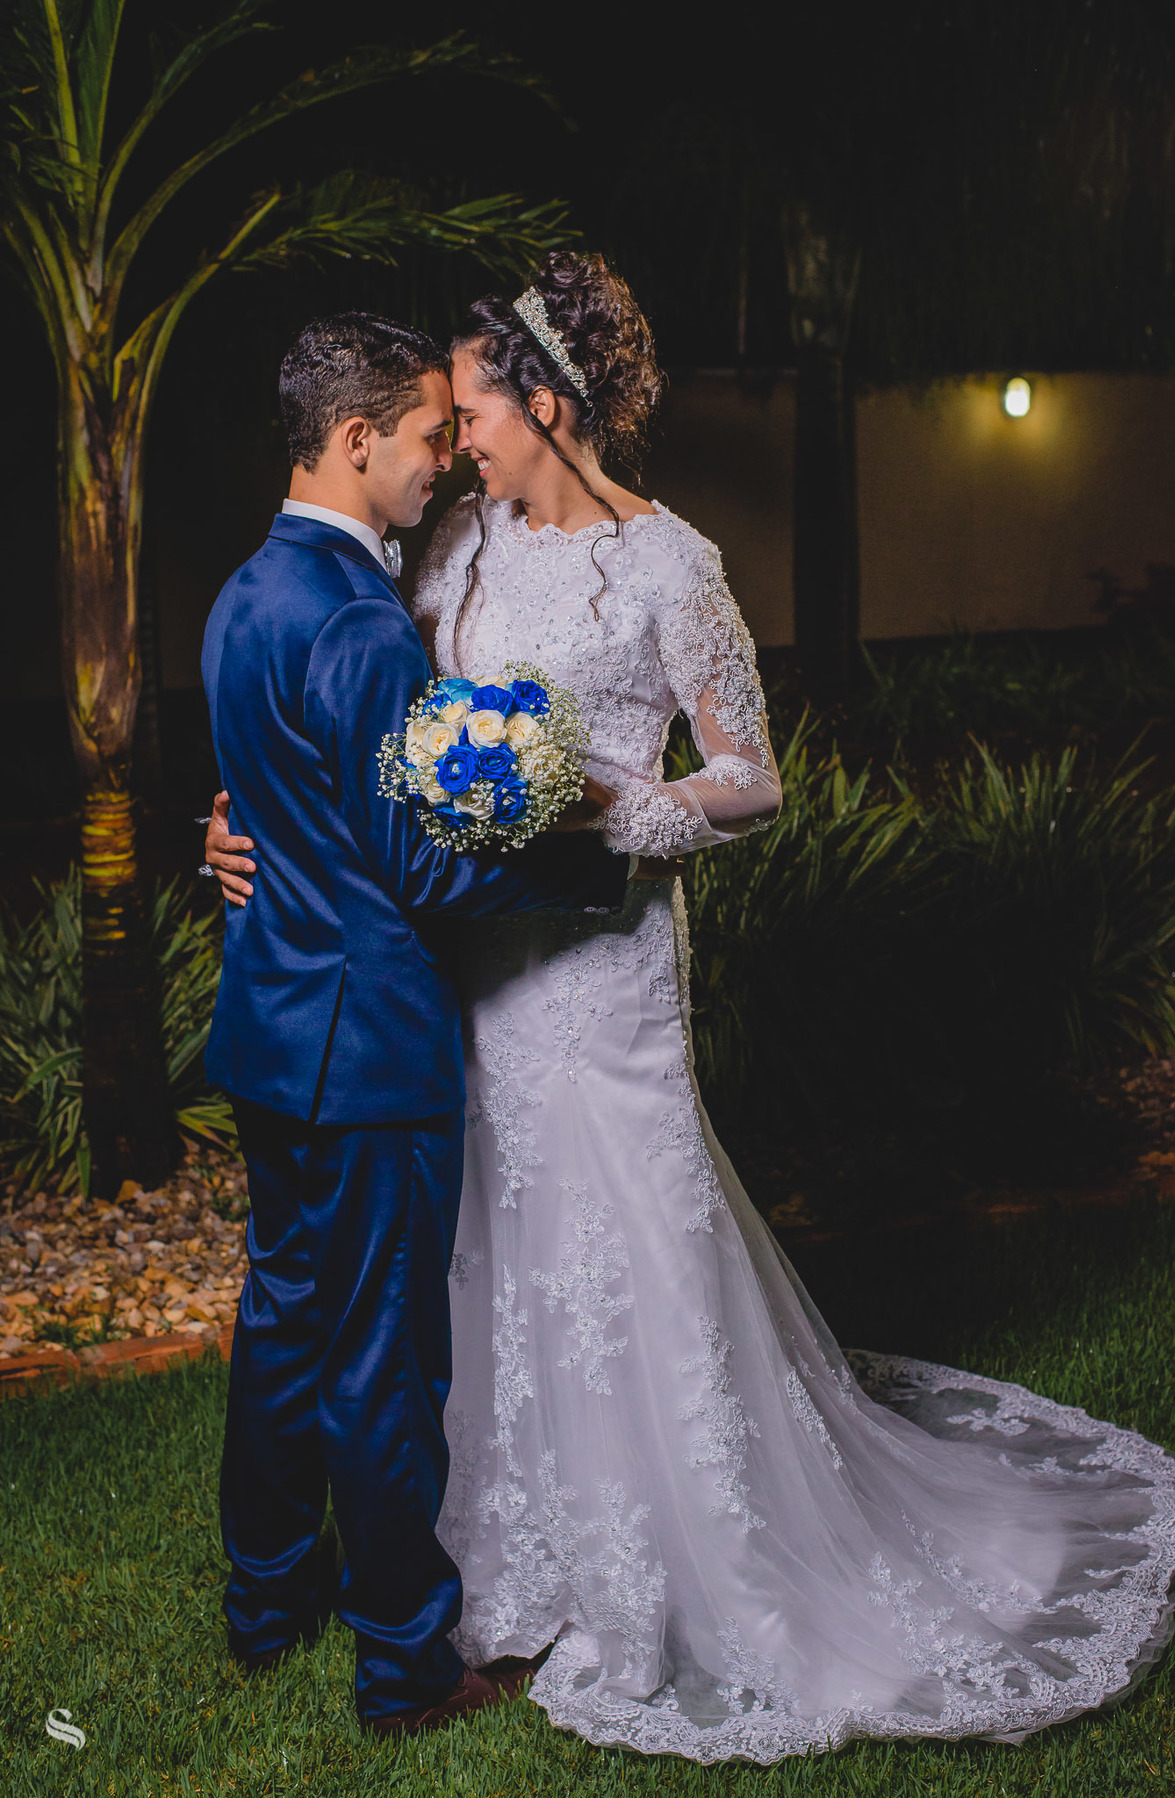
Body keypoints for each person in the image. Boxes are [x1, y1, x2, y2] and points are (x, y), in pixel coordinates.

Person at [207, 259, 1175, 1764]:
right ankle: (488, 1554)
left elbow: (754, 777)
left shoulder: (676, 567)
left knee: (621, 1241)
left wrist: (612, 822)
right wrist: (246, 833)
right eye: (440, 422)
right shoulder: (444, 554)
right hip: (460, 978)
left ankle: (669, 1556)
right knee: (473, 1259)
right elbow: (339, 737)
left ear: (545, 402)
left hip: (597, 967)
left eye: (471, 411)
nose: (457, 441)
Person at [201, 311, 634, 1739]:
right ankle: (405, 1661)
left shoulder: (242, 595)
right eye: (426, 437)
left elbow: (273, 807)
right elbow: (425, 867)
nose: (445, 459)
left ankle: (265, 1600)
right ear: (354, 440)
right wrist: (605, 861)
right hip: (369, 1047)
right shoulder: (358, 619)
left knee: (280, 1325)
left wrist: (225, 845)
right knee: (386, 1358)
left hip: (270, 1032)